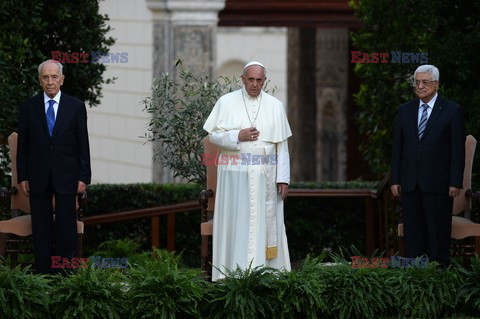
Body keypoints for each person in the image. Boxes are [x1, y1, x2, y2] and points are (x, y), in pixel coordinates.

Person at [203, 61, 292, 281]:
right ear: (242, 79)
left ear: (265, 80)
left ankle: (269, 274)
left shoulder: (275, 106)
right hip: (235, 177)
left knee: (265, 224)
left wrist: (283, 178)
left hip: (266, 176)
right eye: (250, 80)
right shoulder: (226, 102)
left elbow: (282, 146)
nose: (254, 84)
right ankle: (232, 274)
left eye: (259, 80)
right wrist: (236, 136)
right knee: (237, 223)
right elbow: (213, 135)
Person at [17, 60, 91, 274]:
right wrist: (23, 176)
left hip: (67, 176)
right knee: (41, 229)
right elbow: (23, 147)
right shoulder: (28, 107)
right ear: (40, 80)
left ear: (62, 79)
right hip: (37, 176)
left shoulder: (76, 106)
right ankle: (44, 276)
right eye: (46, 77)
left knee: (66, 228)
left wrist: (83, 177)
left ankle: (65, 276)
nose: (50, 82)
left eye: (54, 77)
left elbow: (82, 144)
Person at [391, 64, 465, 267]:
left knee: (437, 236)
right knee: (413, 237)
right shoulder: (405, 111)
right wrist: (395, 179)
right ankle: (416, 281)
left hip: (439, 184)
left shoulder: (452, 111)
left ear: (436, 84)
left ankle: (439, 279)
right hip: (410, 184)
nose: (420, 86)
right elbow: (398, 148)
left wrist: (455, 182)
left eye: (425, 82)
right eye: (417, 82)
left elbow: (458, 151)